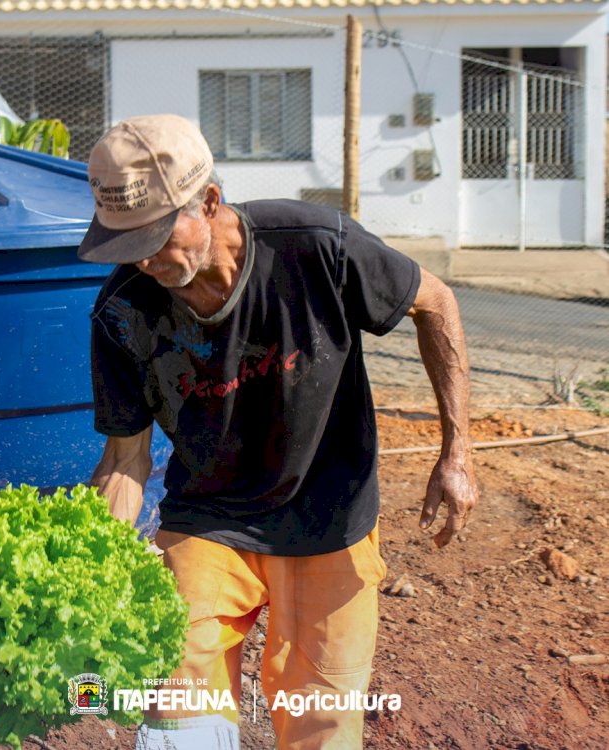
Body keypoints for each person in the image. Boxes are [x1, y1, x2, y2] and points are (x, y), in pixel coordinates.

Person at [79, 113, 478, 750]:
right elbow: (125, 460)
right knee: (179, 713)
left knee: (321, 722)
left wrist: (456, 450)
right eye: (124, 242)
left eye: (157, 235)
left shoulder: (315, 246)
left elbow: (437, 303)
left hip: (329, 513)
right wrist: (92, 562)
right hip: (207, 517)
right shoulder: (122, 311)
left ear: (209, 201)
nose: (144, 258)